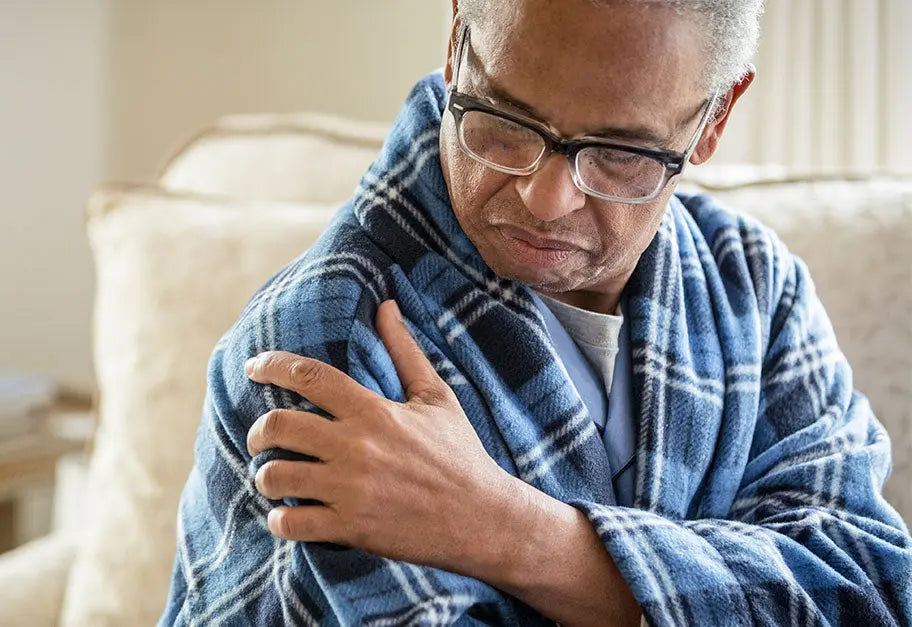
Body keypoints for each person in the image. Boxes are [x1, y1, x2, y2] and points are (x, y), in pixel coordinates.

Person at [161, 1, 912, 624]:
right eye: (506, 122)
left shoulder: (750, 280)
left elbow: (872, 585)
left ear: (714, 118)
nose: (545, 198)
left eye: (619, 152)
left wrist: (511, 532)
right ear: (457, 41)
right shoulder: (325, 342)